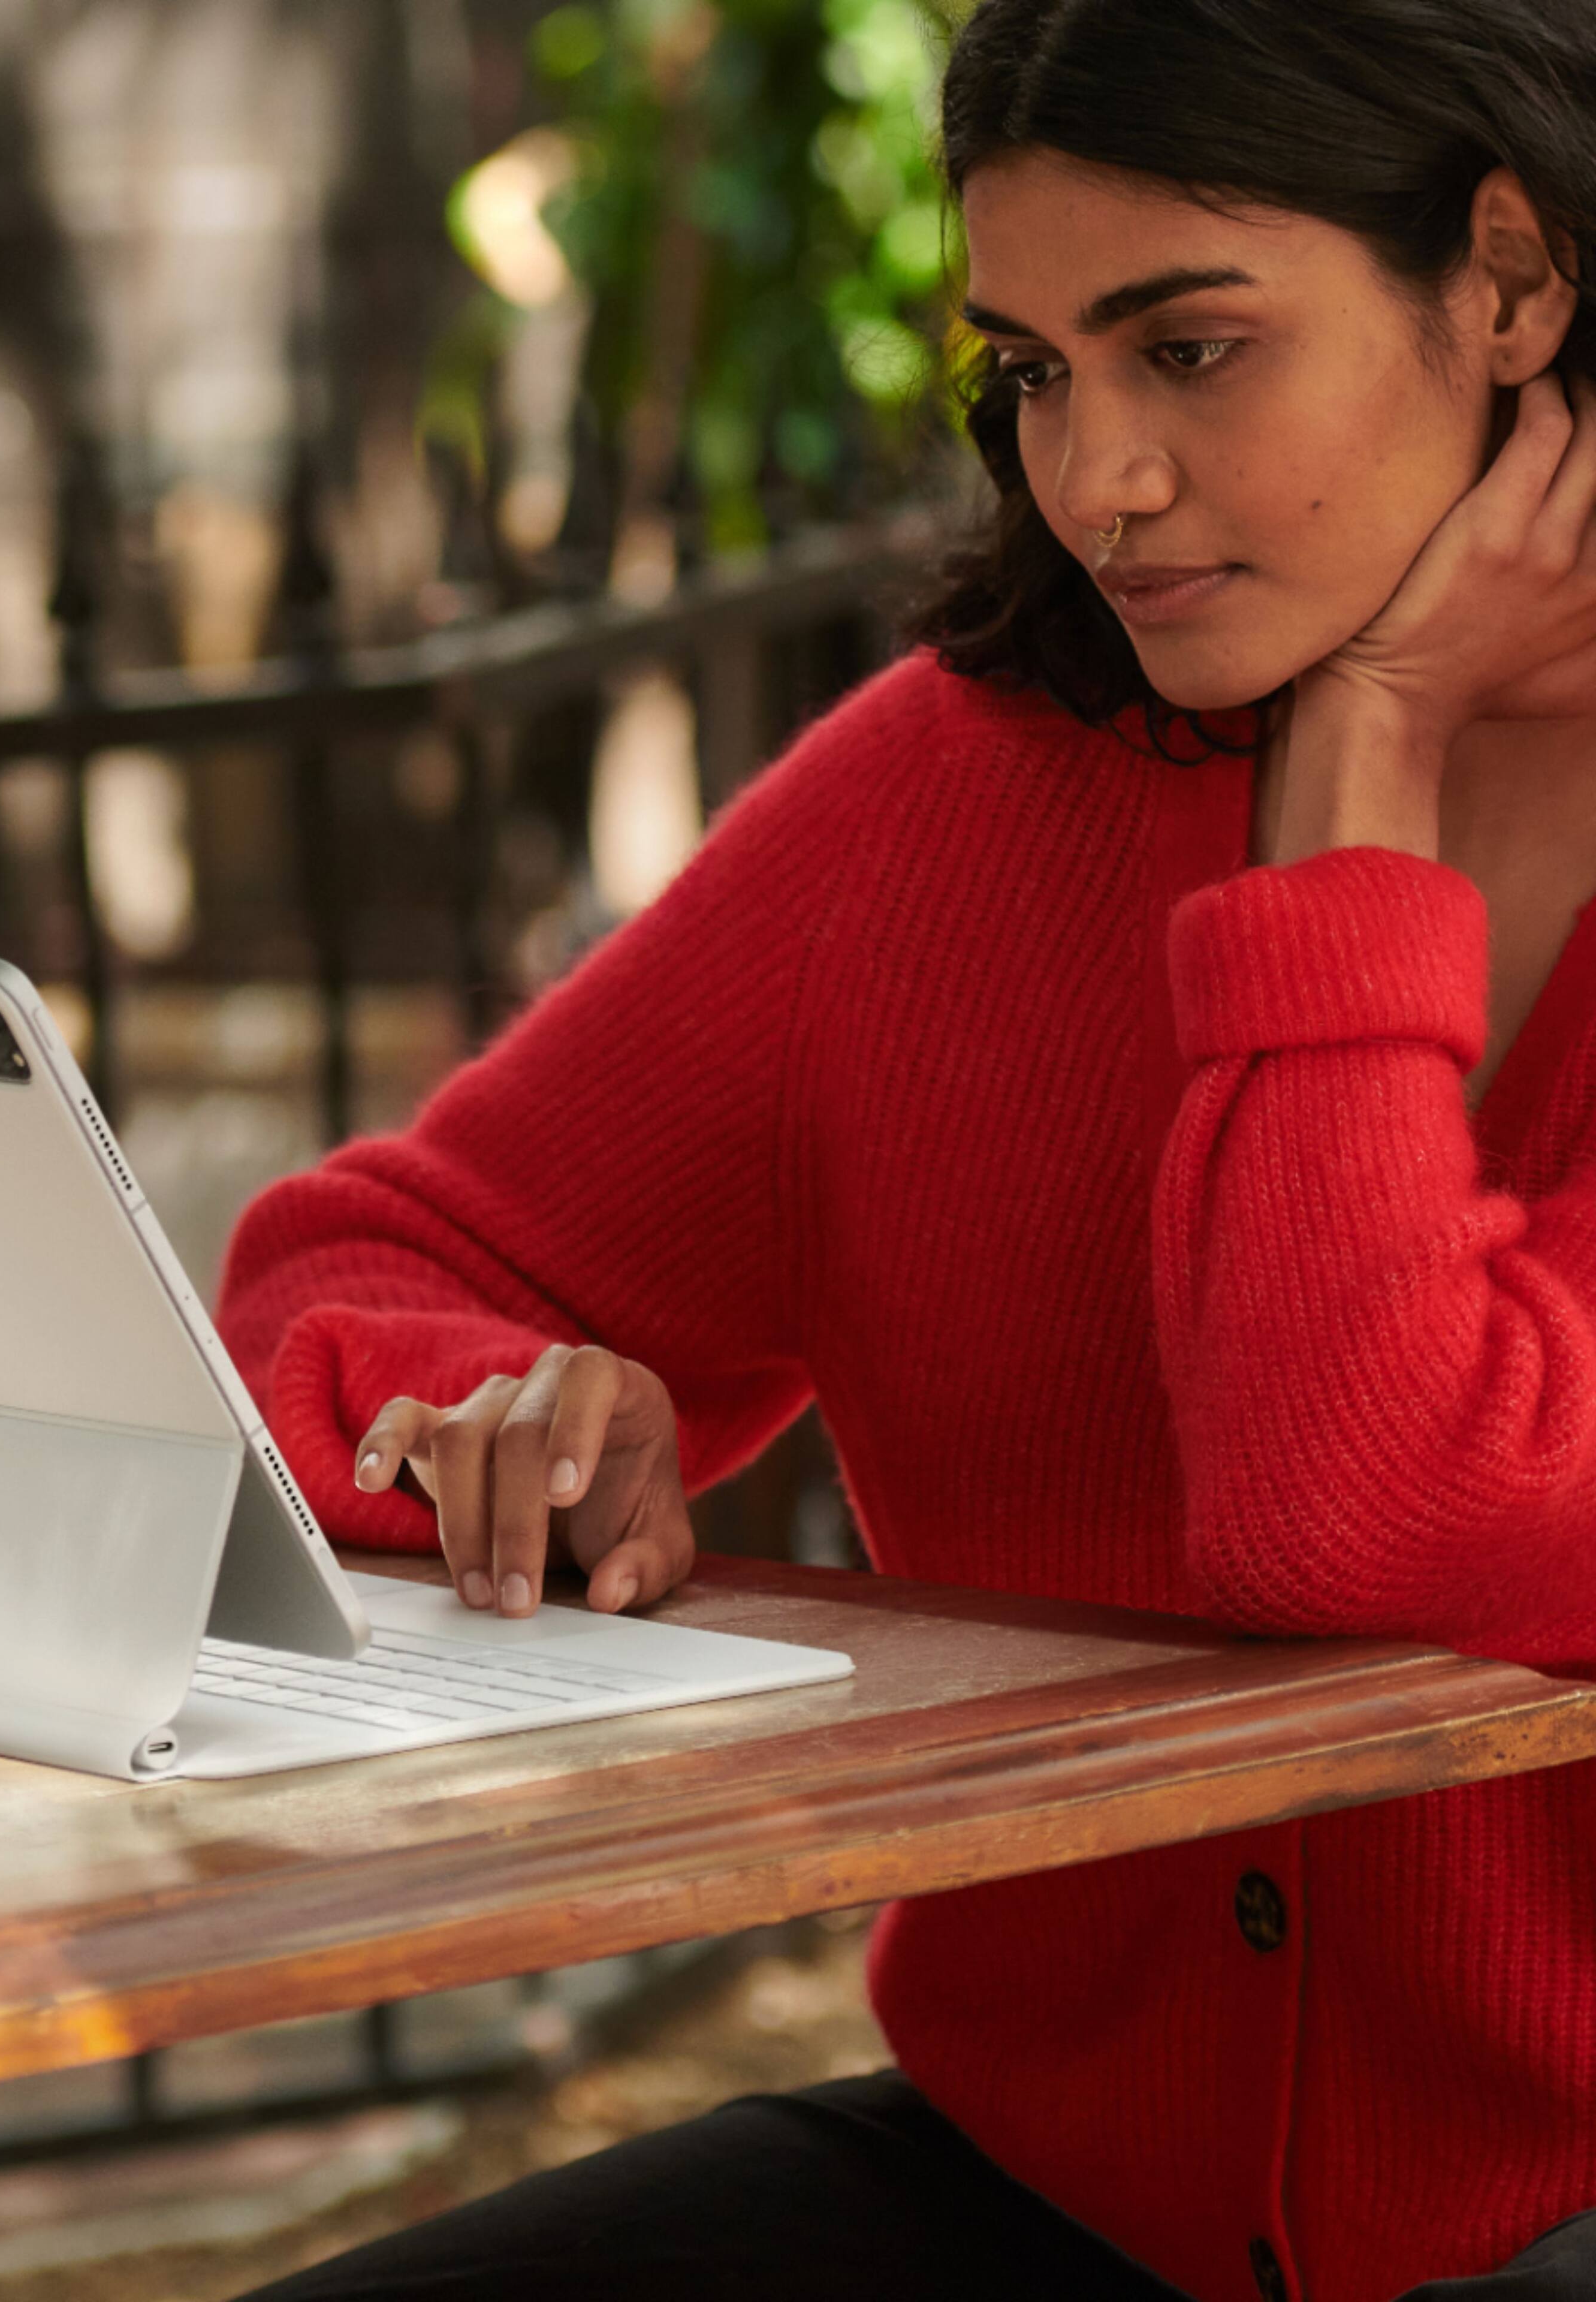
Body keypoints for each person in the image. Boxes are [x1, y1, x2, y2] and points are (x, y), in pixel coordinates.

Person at [210, 1, 1596, 2295]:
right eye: (1040, 368)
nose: (1099, 480)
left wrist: (1362, 774)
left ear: (1513, 284)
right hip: (1051, 2188)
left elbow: (1380, 1501)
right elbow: (357, 1262)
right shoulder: (949, 802)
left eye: (1195, 351)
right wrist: (495, 1432)